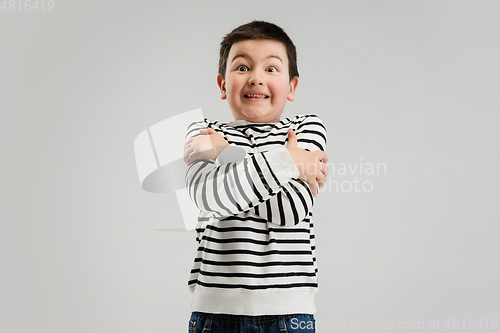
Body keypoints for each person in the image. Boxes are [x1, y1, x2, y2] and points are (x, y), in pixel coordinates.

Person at [183, 20, 328, 333]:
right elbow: (210, 198)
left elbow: (290, 210)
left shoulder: (306, 129)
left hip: (289, 314)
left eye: (272, 69)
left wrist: (226, 156)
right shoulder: (203, 131)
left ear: (291, 87)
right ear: (223, 84)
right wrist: (287, 160)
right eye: (242, 67)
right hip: (213, 312)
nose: (256, 78)